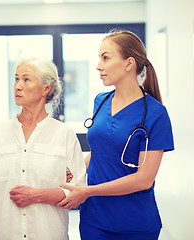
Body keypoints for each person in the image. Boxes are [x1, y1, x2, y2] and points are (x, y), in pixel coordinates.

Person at [57, 30, 174, 239]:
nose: (98, 66)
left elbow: (144, 179)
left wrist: (88, 191)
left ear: (129, 63)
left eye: (105, 58)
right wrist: (76, 170)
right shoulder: (100, 101)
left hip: (135, 222)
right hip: (95, 219)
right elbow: (103, 150)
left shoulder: (156, 114)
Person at [0, 57, 87, 240]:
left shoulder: (64, 134)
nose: (18, 86)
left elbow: (78, 191)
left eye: (26, 80)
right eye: (16, 79)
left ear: (45, 88)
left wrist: (37, 195)